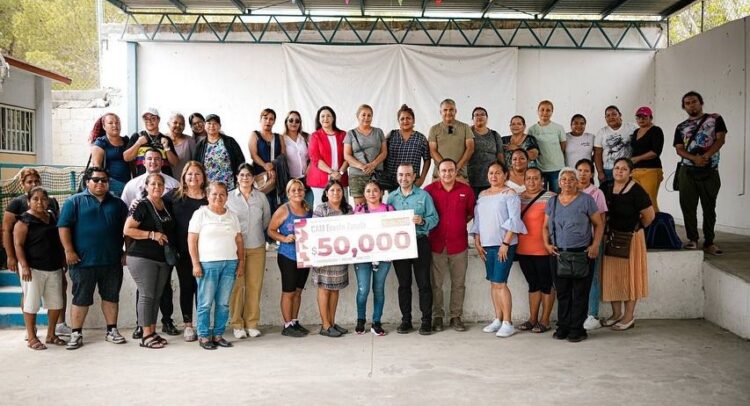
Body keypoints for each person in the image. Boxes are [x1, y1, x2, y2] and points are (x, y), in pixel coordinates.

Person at [57, 167, 129, 350]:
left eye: (104, 180)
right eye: (96, 180)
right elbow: (63, 227)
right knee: (80, 298)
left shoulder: (118, 204)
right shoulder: (74, 202)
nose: (100, 183)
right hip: (82, 262)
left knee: (111, 297)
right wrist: (69, 251)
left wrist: (126, 251)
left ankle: (112, 331)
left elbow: (127, 230)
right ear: (87, 182)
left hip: (112, 261)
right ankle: (76, 333)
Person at [122, 149, 180, 339]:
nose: (157, 186)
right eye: (153, 184)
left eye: (160, 184)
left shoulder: (166, 205)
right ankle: (146, 334)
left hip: (161, 257)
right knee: (147, 295)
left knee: (156, 295)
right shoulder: (141, 205)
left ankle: (152, 331)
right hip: (142, 256)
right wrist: (152, 234)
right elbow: (128, 229)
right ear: (146, 186)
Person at [3, 169, 68, 337]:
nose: (33, 184)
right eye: (29, 182)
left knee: (57, 293)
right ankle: (30, 331)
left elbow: (57, 231)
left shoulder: (51, 205)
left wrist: (63, 256)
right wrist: (11, 257)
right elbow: (8, 231)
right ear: (23, 184)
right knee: (29, 294)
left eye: (36, 181)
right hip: (30, 260)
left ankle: (57, 327)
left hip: (52, 262)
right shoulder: (16, 204)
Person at [542, 168, 604, 342]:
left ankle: (577, 329)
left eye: (571, 179)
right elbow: (545, 226)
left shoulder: (587, 200)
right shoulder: (553, 201)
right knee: (563, 292)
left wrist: (595, 245)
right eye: (564, 179)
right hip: (558, 254)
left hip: (581, 254)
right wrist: (547, 244)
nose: (567, 182)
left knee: (580, 293)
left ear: (577, 182)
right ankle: (563, 326)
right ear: (559, 182)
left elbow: (599, 224)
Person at [470, 161, 526, 338]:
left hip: (504, 245)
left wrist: (506, 244)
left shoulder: (510, 194)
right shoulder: (482, 195)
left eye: (497, 173)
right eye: (491, 173)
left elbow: (514, 220)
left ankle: (508, 322)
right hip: (486, 244)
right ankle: (498, 319)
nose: (493, 176)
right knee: (493, 283)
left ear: (505, 175)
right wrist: (477, 241)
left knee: (501, 283)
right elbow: (478, 220)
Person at [188, 181, 244, 350]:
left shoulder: (232, 216)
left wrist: (241, 262)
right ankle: (204, 336)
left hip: (230, 264)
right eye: (214, 194)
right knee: (205, 303)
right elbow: (192, 240)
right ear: (207, 195)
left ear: (227, 197)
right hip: (208, 264)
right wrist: (195, 264)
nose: (218, 197)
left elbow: (239, 240)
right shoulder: (200, 214)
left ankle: (218, 335)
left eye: (222, 194)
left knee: (223, 303)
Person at [601, 158, 655, 330]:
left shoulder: (637, 191)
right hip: (611, 237)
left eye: (624, 169)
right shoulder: (606, 187)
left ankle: (629, 316)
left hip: (631, 239)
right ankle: (616, 314)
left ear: (631, 172)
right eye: (617, 168)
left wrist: (634, 228)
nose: (619, 171)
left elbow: (649, 216)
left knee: (630, 277)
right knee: (613, 277)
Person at [425, 158, 476, 332]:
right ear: (438, 172)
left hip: (458, 244)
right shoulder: (429, 191)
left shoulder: (466, 191)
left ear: (456, 172)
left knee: (459, 283)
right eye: (444, 170)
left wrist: (458, 224)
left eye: (450, 170)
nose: (447, 173)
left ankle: (456, 316)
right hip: (436, 244)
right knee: (436, 284)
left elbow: (471, 213)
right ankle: (437, 316)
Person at [673, 91, 727, 255]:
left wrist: (706, 156)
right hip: (687, 171)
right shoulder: (681, 127)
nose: (691, 105)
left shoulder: (715, 119)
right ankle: (693, 239)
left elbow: (720, 139)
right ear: (684, 107)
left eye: (694, 101)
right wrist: (694, 159)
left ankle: (709, 242)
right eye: (687, 103)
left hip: (710, 170)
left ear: (701, 102)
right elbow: (679, 149)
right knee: (688, 207)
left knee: (709, 207)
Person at [388, 163, 439, 336]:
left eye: (408, 175)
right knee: (404, 284)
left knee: (424, 283)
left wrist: (423, 221)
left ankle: (426, 321)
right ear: (397, 176)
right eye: (401, 175)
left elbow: (434, 218)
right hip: (399, 246)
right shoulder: (391, 198)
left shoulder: (424, 196)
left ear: (414, 176)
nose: (404, 178)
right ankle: (406, 320)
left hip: (420, 242)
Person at [13, 187, 66, 350]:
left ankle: (51, 334)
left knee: (56, 303)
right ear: (28, 201)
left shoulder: (52, 217)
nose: (40, 202)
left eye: (43, 199)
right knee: (31, 303)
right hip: (33, 268)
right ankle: (31, 337)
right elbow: (18, 245)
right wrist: (24, 266)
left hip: (53, 266)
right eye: (35, 199)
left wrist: (63, 260)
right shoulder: (23, 221)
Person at [163, 161, 208, 342]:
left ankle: (202, 324)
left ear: (203, 177)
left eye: (197, 174)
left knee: (203, 289)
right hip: (182, 250)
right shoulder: (173, 196)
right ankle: (188, 325)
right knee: (187, 286)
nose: (193, 177)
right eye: (189, 174)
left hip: (207, 251)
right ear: (183, 177)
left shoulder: (209, 197)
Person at [226, 164, 271, 339]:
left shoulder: (261, 197)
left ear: (253, 178)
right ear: (237, 177)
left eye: (248, 175)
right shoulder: (229, 197)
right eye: (242, 175)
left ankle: (251, 323)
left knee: (254, 285)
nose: (245, 178)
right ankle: (237, 324)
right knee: (237, 287)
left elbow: (266, 220)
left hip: (256, 246)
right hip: (234, 248)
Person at [267, 179, 312, 337]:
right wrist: (284, 238)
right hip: (288, 256)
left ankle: (294, 321)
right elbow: (271, 230)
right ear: (288, 193)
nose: (297, 192)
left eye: (300, 189)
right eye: (293, 190)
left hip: (304, 256)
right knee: (288, 291)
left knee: (298, 291)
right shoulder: (283, 210)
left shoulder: (308, 209)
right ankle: (287, 325)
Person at [516, 167, 556, 333]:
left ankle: (545, 320)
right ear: (524, 180)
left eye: (535, 178)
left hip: (543, 249)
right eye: (528, 178)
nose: (532, 181)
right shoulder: (517, 198)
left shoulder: (551, 197)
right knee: (533, 284)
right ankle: (532, 319)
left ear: (542, 181)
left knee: (546, 284)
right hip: (523, 249)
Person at [352, 180, 394, 336]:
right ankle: (360, 320)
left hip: (383, 256)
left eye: (375, 190)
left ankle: (376, 322)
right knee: (363, 289)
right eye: (368, 191)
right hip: (362, 256)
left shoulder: (389, 209)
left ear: (381, 193)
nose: (372, 194)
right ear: (364, 194)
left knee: (379, 289)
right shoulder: (358, 210)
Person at [311, 180, 352, 338]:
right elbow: (313, 232)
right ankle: (325, 325)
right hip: (324, 256)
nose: (336, 193)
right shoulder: (321, 209)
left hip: (340, 257)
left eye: (339, 190)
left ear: (343, 193)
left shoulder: (348, 209)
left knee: (335, 289)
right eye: (332, 190)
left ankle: (332, 323)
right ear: (326, 193)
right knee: (324, 289)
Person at [575, 159, 609, 331]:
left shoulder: (597, 193)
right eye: (579, 170)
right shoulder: (569, 190)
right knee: (575, 277)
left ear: (592, 174)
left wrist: (596, 243)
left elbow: (601, 221)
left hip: (591, 241)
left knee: (592, 277)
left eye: (586, 171)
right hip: (574, 243)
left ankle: (592, 314)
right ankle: (577, 313)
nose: (582, 174)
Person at [344, 104, 387, 206]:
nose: (366, 118)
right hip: (357, 175)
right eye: (363, 115)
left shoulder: (378, 132)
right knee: (360, 208)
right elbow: (347, 155)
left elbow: (384, 152)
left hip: (376, 174)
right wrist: (362, 166)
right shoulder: (350, 134)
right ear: (357, 116)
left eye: (369, 115)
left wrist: (373, 164)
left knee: (376, 207)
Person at [307, 106, 349, 208]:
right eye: (322, 116)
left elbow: (348, 156)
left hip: (340, 178)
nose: (325, 118)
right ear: (319, 119)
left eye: (328, 116)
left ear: (333, 118)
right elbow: (315, 158)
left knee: (343, 209)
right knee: (322, 210)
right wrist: (331, 172)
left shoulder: (343, 135)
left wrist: (340, 172)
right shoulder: (315, 136)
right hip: (320, 180)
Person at [383, 104, 431, 191]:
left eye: (408, 118)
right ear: (398, 121)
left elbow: (427, 159)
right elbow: (383, 154)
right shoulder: (391, 135)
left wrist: (422, 178)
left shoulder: (421, 138)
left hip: (412, 181)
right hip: (392, 181)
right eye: (402, 119)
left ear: (413, 120)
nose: (405, 121)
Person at [194, 114, 245, 191]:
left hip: (229, 185)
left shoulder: (230, 141)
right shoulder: (200, 145)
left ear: (219, 126)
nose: (212, 126)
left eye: (215, 123)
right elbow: (196, 165)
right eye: (209, 123)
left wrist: (239, 180)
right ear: (205, 125)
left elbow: (241, 161)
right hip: (209, 187)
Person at [628, 106, 665, 212]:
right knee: (637, 201)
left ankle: (656, 222)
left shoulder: (656, 130)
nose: (641, 119)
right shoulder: (636, 131)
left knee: (649, 201)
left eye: (644, 117)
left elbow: (655, 152)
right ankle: (642, 223)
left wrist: (637, 159)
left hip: (650, 170)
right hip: (635, 170)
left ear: (651, 117)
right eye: (638, 117)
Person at [428, 99, 475, 182]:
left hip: (460, 175)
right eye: (445, 110)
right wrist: (446, 168)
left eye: (451, 110)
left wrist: (456, 167)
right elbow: (432, 150)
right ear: (440, 112)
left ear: (455, 111)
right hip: (439, 176)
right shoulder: (434, 129)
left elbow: (470, 148)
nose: (448, 112)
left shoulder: (465, 127)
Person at [249, 108, 286, 214]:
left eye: (271, 119)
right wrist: (266, 166)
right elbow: (253, 155)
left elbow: (283, 155)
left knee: (277, 208)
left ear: (274, 121)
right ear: (260, 119)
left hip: (277, 176)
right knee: (262, 207)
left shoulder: (279, 137)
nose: (268, 121)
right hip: (260, 176)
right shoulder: (255, 135)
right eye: (265, 118)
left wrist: (273, 165)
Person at [124, 107, 179, 177]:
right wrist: (138, 143)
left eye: (153, 118)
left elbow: (175, 163)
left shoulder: (166, 139)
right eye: (146, 119)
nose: (149, 121)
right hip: (143, 179)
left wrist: (166, 148)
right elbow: (126, 157)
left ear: (158, 120)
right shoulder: (137, 137)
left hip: (163, 179)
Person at [527, 100, 566, 193]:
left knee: (556, 195)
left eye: (548, 110)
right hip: (540, 169)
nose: (545, 113)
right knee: (541, 195)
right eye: (542, 110)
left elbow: (563, 146)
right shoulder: (532, 129)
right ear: (538, 111)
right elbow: (530, 148)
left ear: (552, 112)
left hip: (556, 168)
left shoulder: (558, 128)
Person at [594, 105, 638, 184]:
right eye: (608, 115)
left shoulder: (632, 127)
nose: (611, 117)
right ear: (605, 118)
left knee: (627, 191)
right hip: (608, 170)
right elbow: (597, 154)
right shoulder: (602, 132)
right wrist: (600, 172)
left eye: (614, 114)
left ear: (620, 115)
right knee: (608, 192)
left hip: (628, 169)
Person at [91, 113, 130, 197]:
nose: (115, 125)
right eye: (110, 123)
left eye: (117, 122)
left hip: (128, 185)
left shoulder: (126, 141)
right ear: (104, 126)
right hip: (110, 187)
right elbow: (96, 168)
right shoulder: (100, 143)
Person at [467, 107, 504, 197]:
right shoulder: (467, 134)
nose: (479, 117)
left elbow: (500, 156)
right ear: (472, 119)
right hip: (471, 179)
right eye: (476, 115)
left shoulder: (495, 135)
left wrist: (503, 174)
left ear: (487, 118)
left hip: (492, 179)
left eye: (482, 115)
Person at [282, 110, 313, 206]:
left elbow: (313, 156)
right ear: (286, 122)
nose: (294, 123)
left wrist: (309, 167)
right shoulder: (281, 138)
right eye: (291, 120)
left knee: (308, 207)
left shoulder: (306, 137)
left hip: (306, 179)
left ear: (300, 123)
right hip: (289, 181)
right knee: (292, 209)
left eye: (297, 121)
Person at [166, 112, 196, 180]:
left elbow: (195, 163)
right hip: (165, 181)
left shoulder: (190, 141)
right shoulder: (162, 139)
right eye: (175, 122)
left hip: (184, 181)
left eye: (181, 124)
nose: (178, 125)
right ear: (168, 124)